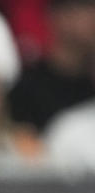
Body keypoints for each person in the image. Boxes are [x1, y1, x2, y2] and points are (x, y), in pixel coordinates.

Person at [7, 0, 95, 137]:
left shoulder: (90, 84)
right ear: (58, 18)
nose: (92, 20)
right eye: (87, 10)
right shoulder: (26, 90)